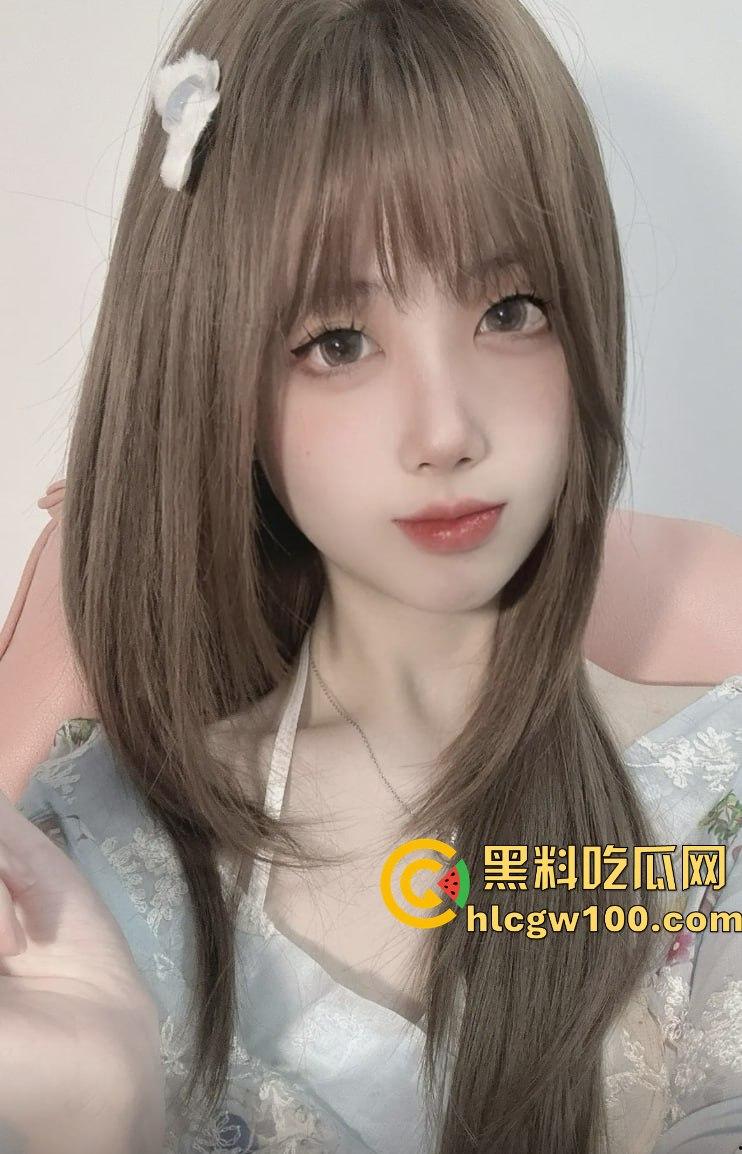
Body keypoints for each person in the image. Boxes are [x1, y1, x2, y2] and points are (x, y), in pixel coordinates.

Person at [1, 1, 740, 1151]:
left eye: (510, 310)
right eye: (337, 341)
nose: (446, 429)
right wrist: (105, 1117)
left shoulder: (703, 821)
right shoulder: (78, 878)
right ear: (212, 368)